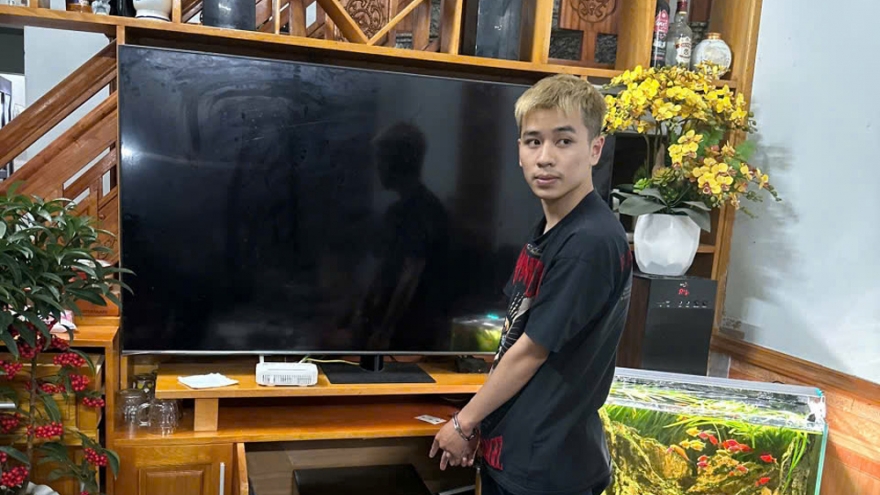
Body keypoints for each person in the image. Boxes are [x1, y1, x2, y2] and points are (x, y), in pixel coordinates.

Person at [429, 74, 633, 495]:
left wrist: (464, 422)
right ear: (519, 151)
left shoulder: (589, 241)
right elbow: (513, 332)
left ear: (595, 149)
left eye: (564, 141)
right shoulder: (553, 227)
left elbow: (529, 352)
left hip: (548, 469)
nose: (545, 157)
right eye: (533, 141)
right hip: (520, 452)